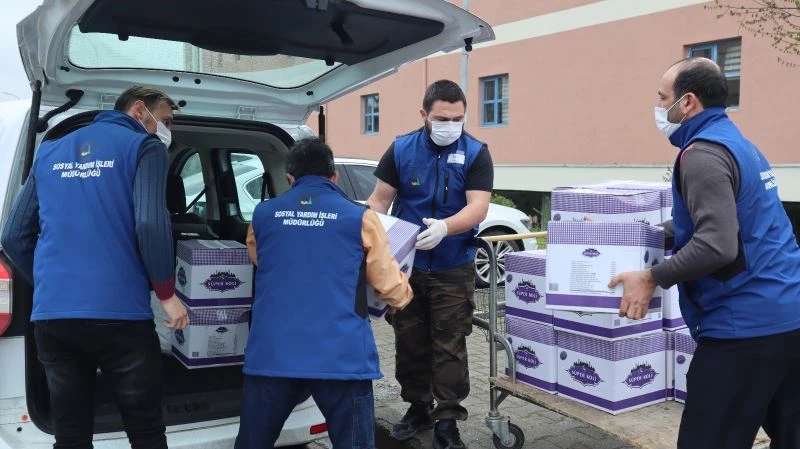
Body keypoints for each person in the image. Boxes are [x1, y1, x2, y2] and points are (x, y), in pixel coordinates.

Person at [609, 57, 800, 449]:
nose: (658, 107)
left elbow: (716, 244)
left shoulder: (701, 154)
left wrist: (650, 277)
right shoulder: (739, 144)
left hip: (743, 330)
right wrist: (639, 234)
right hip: (787, 317)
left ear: (688, 102)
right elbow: (730, 220)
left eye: (663, 98)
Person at [0, 86, 188, 449]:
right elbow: (150, 223)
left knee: (70, 435)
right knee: (146, 432)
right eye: (164, 120)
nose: (166, 130)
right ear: (139, 110)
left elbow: (12, 235)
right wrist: (167, 295)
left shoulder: (49, 151)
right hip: (120, 318)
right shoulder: (144, 147)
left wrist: (49, 283)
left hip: (54, 319)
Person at [235, 137, 413, 449]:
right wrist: (404, 297)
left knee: (253, 442)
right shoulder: (360, 217)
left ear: (291, 178)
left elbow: (260, 260)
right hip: (341, 357)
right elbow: (390, 287)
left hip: (274, 353)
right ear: (334, 176)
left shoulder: (262, 215)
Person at [366, 79, 493, 449]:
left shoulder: (476, 152)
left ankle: (447, 420)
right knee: (409, 339)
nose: (451, 125)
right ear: (424, 114)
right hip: (407, 265)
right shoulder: (401, 149)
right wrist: (371, 234)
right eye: (442, 118)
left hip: (453, 265)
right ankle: (418, 407)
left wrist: (445, 228)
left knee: (449, 343)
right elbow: (379, 200)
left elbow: (479, 206)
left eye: (458, 119)